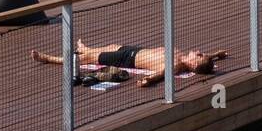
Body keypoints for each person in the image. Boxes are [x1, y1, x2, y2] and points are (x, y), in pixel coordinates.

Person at [30, 42, 227, 86]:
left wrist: (148, 81)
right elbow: (205, 60)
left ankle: (49, 58)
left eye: (199, 55)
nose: (199, 51)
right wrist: (216, 55)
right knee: (111, 45)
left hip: (128, 60)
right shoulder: (184, 56)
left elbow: (160, 75)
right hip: (135, 50)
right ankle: (86, 47)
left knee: (87, 59)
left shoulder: (175, 65)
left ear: (193, 65)